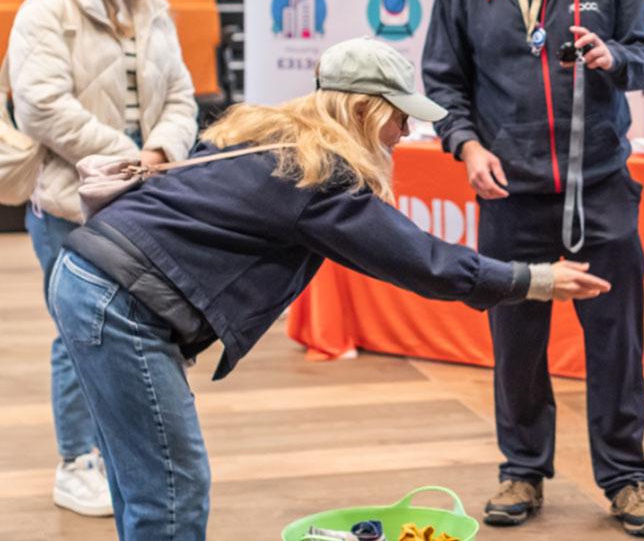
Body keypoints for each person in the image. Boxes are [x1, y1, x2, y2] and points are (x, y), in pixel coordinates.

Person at [48, 37, 610, 539]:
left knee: (142, 477)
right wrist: (535, 279)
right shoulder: (318, 174)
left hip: (88, 280)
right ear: (364, 110)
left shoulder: (266, 132)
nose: (406, 132)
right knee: (173, 488)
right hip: (118, 304)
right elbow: (425, 262)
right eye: (399, 117)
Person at [421, 0, 644, 536]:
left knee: (616, 341)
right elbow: (442, 82)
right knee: (518, 345)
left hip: (601, 191)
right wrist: (465, 147)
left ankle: (626, 479)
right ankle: (522, 470)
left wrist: (613, 56)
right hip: (511, 195)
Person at [5, 0, 199, 517]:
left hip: (145, 200)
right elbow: (40, 106)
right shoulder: (44, 10)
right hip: (71, 203)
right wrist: (125, 153)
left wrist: (162, 151)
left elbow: (181, 99)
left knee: (139, 331)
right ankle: (76, 460)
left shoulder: (154, 7)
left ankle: (126, 450)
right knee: (77, 332)